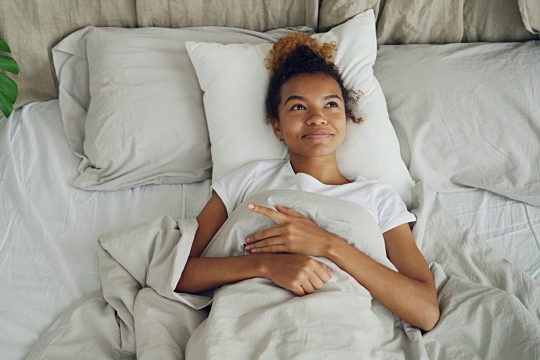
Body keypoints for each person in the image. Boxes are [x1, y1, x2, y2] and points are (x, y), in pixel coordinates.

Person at [175, 33, 440, 331]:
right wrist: (266, 266)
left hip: (344, 329)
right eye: (298, 107)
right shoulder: (249, 179)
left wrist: (328, 244)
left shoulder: (378, 195)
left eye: (330, 105)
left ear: (346, 116)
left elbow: (425, 311)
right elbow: (178, 273)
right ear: (277, 126)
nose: (317, 118)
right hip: (249, 324)